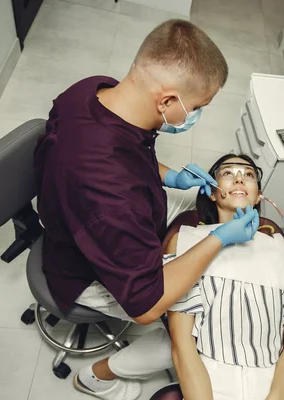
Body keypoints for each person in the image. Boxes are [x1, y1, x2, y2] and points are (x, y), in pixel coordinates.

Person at [33, 20, 260, 399]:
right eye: (198, 106)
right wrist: (220, 238)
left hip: (93, 218)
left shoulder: (96, 91)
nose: (197, 113)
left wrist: (171, 177)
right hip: (84, 272)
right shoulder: (112, 196)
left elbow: (125, 149)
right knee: (200, 321)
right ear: (168, 101)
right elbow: (145, 306)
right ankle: (99, 378)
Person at [165, 155, 284, 400]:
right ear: (211, 192)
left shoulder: (282, 248)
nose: (240, 178)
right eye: (228, 173)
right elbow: (182, 341)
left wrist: (276, 397)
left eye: (248, 174)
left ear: (258, 194)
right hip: (208, 381)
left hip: (273, 382)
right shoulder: (187, 242)